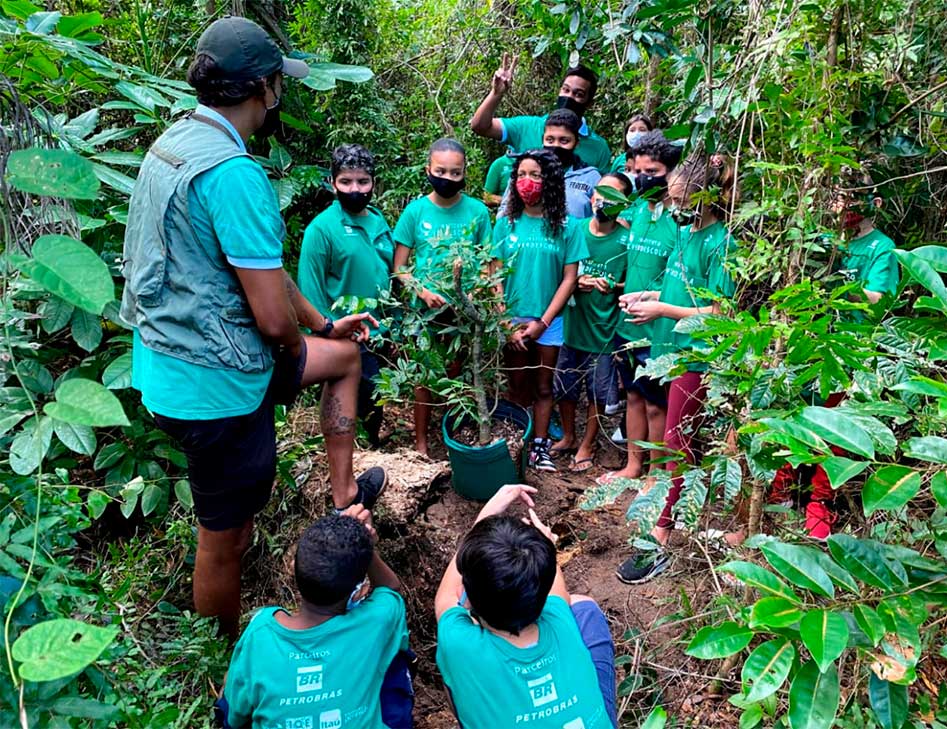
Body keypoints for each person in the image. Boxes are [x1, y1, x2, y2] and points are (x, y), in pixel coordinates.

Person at [120, 17, 387, 638]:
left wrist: (324, 325)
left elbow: (260, 269)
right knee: (226, 536)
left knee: (343, 358)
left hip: (168, 362)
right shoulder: (235, 174)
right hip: (215, 383)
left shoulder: (175, 143)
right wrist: (294, 347)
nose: (278, 93)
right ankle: (217, 659)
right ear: (262, 88)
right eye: (276, 83)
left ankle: (344, 495)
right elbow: (270, 315)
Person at [726, 166, 900, 542]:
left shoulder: (881, 248)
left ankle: (821, 505)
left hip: (850, 353)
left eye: (854, 198)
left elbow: (877, 300)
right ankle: (780, 497)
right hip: (805, 347)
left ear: (876, 202)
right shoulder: (820, 239)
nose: (846, 206)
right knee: (793, 419)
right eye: (840, 197)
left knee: (836, 430)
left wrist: (842, 282)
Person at [616, 154, 738, 584]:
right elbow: (675, 284)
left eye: (681, 199)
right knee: (676, 439)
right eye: (671, 199)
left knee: (674, 442)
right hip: (670, 350)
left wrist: (662, 309)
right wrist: (647, 295)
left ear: (705, 197)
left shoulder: (721, 243)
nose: (675, 208)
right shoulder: (687, 234)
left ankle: (662, 535)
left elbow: (719, 312)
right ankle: (676, 517)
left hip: (697, 356)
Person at [435, 484, 616, 729]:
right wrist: (543, 543)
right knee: (583, 607)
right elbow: (553, 580)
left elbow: (444, 596)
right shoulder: (559, 616)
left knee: (454, 672)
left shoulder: (459, 644)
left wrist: (485, 518)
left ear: (467, 596)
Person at [220, 505, 413, 729]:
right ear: (358, 588)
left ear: (293, 569)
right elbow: (390, 588)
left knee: (233, 681)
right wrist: (365, 547)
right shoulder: (376, 621)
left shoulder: (261, 632)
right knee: (394, 656)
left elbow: (234, 718)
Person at [392, 138, 493, 455]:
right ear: (428, 170)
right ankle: (421, 444)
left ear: (464, 173)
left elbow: (488, 261)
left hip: (465, 313)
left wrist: (475, 293)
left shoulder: (477, 211)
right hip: (426, 313)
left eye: (454, 172)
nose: (447, 178)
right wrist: (421, 291)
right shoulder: (415, 211)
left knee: (460, 376)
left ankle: (453, 440)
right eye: (440, 171)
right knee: (424, 376)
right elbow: (399, 268)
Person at [494, 150, 588, 473]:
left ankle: (539, 446)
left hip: (550, 322)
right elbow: (494, 276)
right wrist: (505, 321)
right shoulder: (506, 223)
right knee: (517, 386)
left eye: (535, 175)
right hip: (511, 321)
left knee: (544, 386)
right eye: (521, 175)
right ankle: (515, 446)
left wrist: (543, 322)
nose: (527, 182)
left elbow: (569, 279)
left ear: (550, 181)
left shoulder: (567, 227)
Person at [597, 131, 682, 486]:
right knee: (632, 396)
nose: (647, 177)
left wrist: (654, 301)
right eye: (641, 170)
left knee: (655, 404)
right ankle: (634, 465)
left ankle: (658, 472)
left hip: (658, 329)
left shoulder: (679, 221)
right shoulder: (635, 212)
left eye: (655, 170)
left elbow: (683, 281)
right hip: (627, 324)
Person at [298, 144, 395, 446]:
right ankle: (354, 452)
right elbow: (309, 290)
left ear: (373, 183)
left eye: (363, 182)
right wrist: (324, 333)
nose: (355, 189)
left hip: (380, 333)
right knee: (348, 401)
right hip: (343, 336)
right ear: (332, 182)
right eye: (346, 182)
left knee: (376, 396)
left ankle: (373, 443)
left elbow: (390, 274)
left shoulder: (379, 221)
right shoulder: (322, 229)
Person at [551, 173, 632, 473]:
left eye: (614, 195)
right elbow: (559, 270)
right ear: (590, 195)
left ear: (624, 204)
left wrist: (614, 285)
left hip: (603, 330)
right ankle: (570, 436)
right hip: (572, 327)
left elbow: (633, 282)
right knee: (565, 386)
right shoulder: (575, 230)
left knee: (598, 393)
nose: (604, 199)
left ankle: (589, 442)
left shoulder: (626, 240)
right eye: (600, 192)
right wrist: (576, 281)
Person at [470, 53, 612, 172]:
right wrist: (496, 94)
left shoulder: (599, 148)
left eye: (578, 94)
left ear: (589, 103)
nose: (569, 97)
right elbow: (480, 126)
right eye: (566, 90)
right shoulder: (527, 126)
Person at [497, 109, 601, 220]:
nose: (556, 145)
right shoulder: (527, 172)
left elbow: (599, 223)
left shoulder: (591, 177)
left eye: (564, 141)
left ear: (576, 143)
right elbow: (504, 213)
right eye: (550, 140)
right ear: (543, 140)